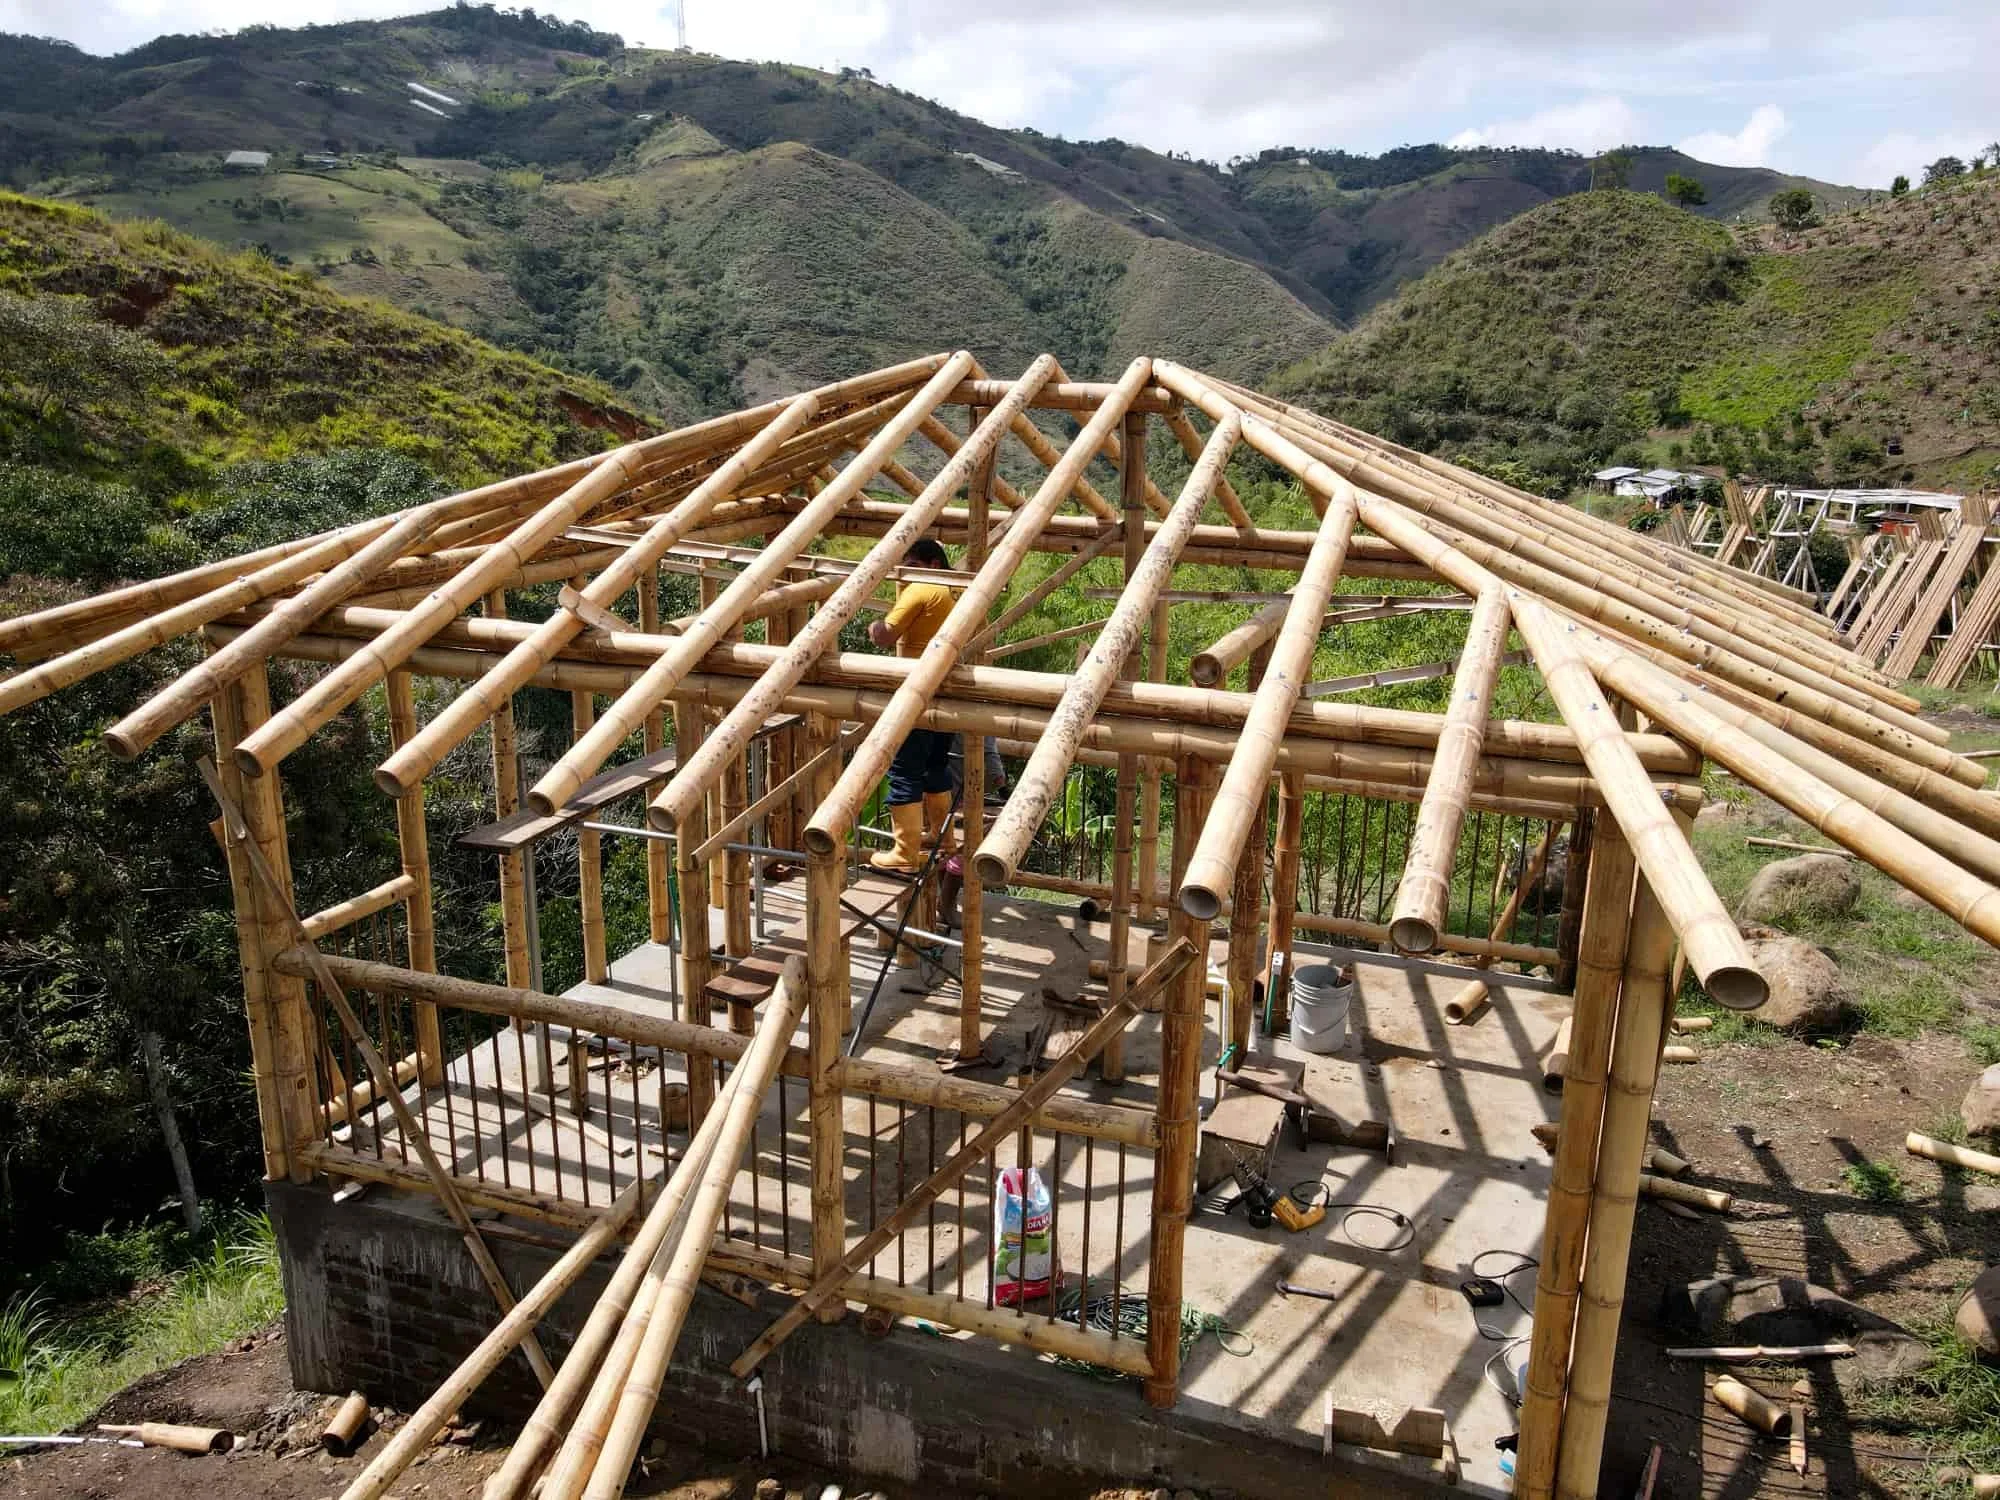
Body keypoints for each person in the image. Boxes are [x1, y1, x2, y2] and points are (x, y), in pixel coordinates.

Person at [867, 536, 958, 871]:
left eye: (913, 565)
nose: (906, 572)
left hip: (917, 692)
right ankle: (941, 836)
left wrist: (874, 625)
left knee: (905, 768)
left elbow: (885, 635)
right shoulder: (960, 592)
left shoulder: (921, 588)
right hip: (949, 695)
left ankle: (905, 851)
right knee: (936, 765)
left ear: (934, 564)